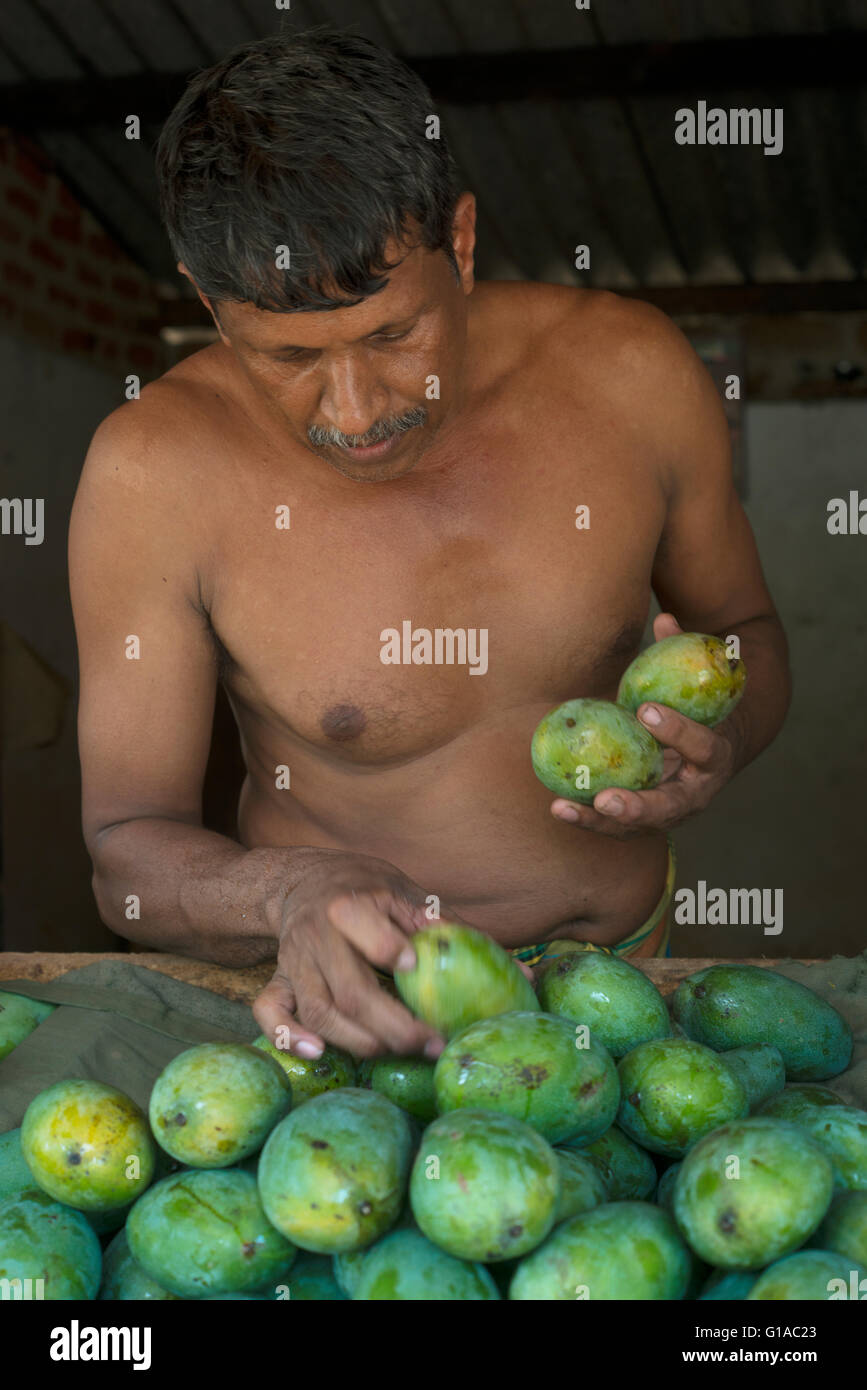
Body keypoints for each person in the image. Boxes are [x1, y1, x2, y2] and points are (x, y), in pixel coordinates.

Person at [69, 28, 790, 1062]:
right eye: (286, 357)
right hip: (345, 1018)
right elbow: (122, 857)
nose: (355, 410)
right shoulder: (154, 472)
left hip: (622, 989)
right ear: (202, 299)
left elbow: (748, 633)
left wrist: (725, 737)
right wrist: (284, 890)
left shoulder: (632, 375)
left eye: (392, 336)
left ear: (459, 241)